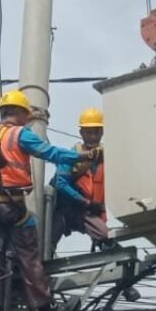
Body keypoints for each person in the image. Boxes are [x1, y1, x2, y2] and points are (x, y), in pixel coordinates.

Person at [0, 89, 96, 311]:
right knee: (29, 253)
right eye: (26, 115)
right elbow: (49, 153)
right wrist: (82, 157)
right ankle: (43, 306)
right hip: (10, 206)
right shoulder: (20, 134)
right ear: (19, 113)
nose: (27, 120)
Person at [51, 107, 113, 254]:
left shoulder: (107, 157)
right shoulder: (72, 155)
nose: (92, 136)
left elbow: (102, 194)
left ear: (102, 132)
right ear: (81, 133)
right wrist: (85, 202)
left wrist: (101, 219)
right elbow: (60, 183)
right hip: (68, 210)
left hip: (88, 211)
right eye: (88, 132)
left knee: (106, 236)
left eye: (96, 132)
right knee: (46, 245)